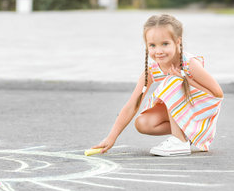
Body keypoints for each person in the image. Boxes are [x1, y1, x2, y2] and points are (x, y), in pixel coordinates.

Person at [92, 14, 224, 156]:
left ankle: (179, 141)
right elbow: (133, 104)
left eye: (165, 44)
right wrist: (111, 137)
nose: (158, 51)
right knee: (143, 123)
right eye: (152, 45)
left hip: (203, 112)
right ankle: (186, 133)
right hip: (187, 112)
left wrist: (186, 80)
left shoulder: (189, 63)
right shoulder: (152, 70)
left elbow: (217, 94)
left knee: (173, 81)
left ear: (177, 41)